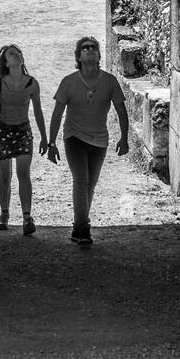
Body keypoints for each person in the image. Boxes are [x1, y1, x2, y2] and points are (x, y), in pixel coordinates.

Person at [46, 36, 129, 245]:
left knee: (90, 184)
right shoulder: (69, 82)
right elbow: (57, 114)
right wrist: (52, 142)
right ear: (79, 56)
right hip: (74, 137)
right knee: (81, 180)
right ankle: (81, 229)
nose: (90, 50)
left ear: (99, 54)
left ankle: (81, 223)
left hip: (99, 140)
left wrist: (124, 137)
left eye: (94, 47)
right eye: (85, 48)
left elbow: (121, 110)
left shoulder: (109, 81)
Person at [0, 43, 48, 236]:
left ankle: (27, 217)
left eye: (18, 52)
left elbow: (37, 111)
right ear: (5, 61)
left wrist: (44, 137)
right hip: (2, 130)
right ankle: (4, 214)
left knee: (23, 174)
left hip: (22, 130)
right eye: (12, 54)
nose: (17, 55)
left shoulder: (32, 83)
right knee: (4, 176)